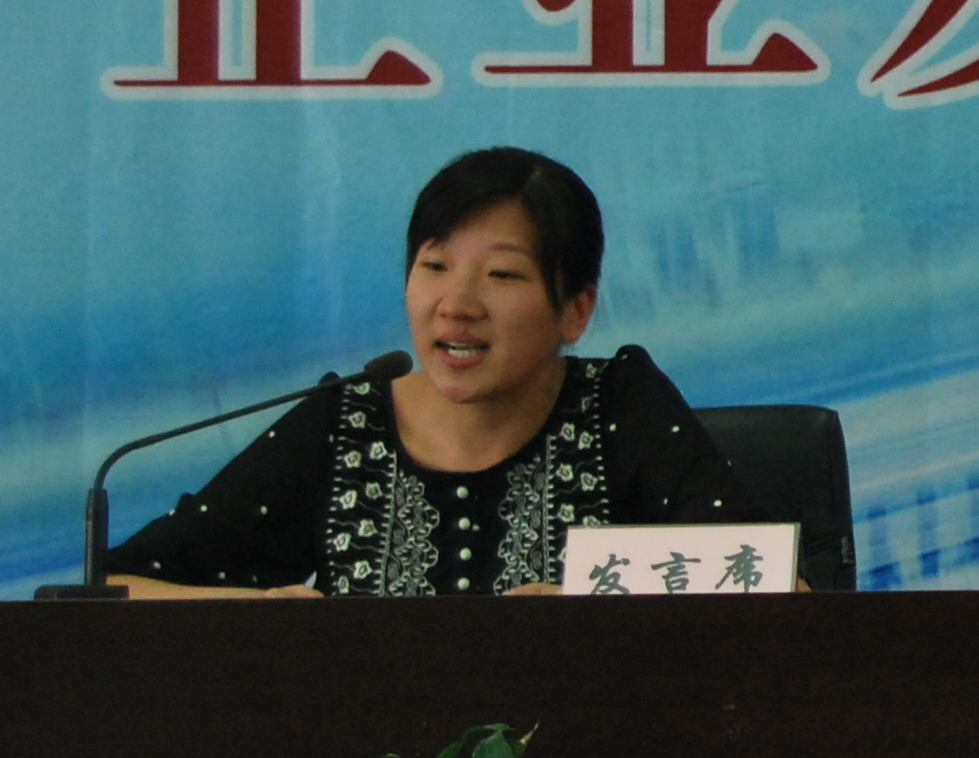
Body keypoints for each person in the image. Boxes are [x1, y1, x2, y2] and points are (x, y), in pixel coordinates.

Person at [106, 146, 765, 599]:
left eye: (501, 274)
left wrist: (591, 603)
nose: (456, 305)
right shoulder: (344, 422)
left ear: (575, 310)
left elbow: (769, 583)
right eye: (434, 267)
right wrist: (255, 613)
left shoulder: (619, 405)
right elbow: (111, 588)